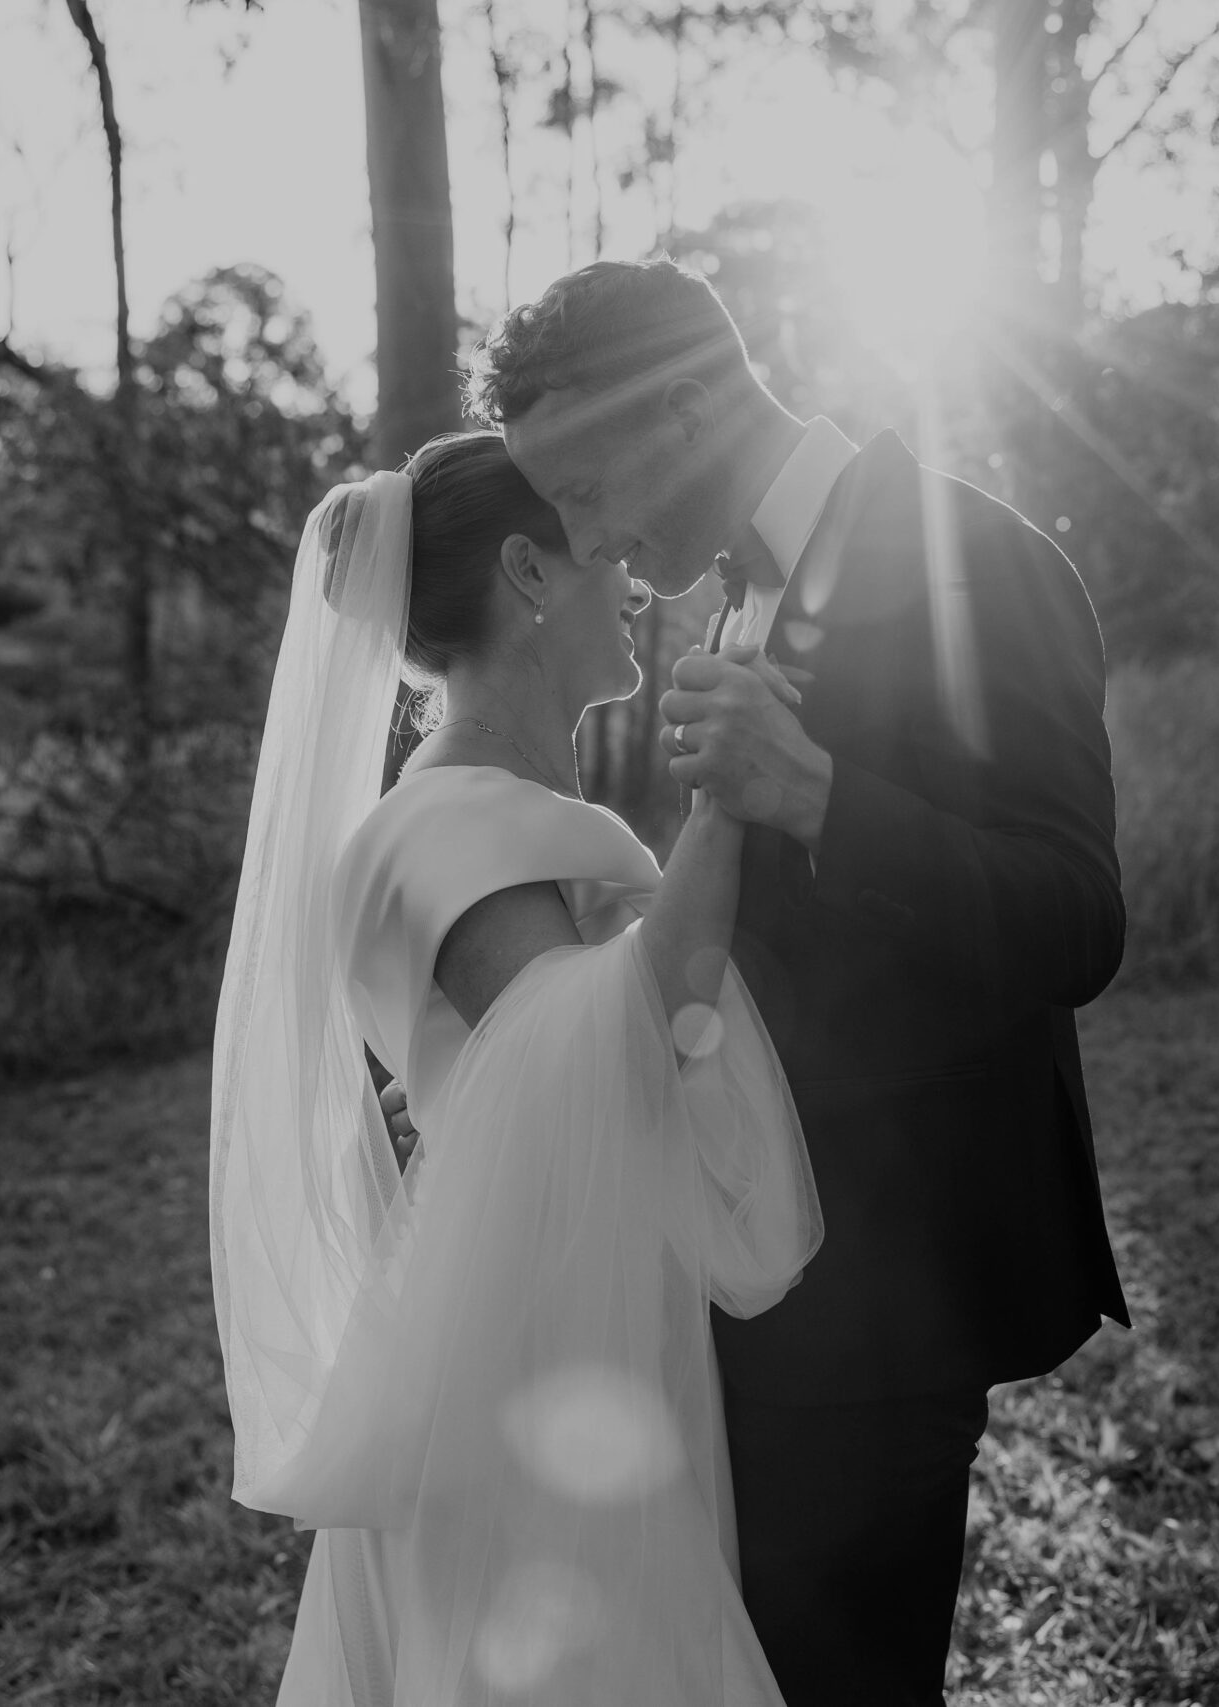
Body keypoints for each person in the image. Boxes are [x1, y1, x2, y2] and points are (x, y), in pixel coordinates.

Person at [482, 258, 1132, 1706]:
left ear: (690, 401)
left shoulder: (979, 558)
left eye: (586, 486)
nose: (588, 537)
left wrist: (824, 795)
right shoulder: (724, 611)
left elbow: (1078, 918)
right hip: (748, 1266)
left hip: (888, 1282)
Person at [209, 432, 823, 1704]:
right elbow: (601, 1048)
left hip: (562, 1298)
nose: (635, 579)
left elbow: (505, 1063)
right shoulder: (439, 816)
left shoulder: (504, 805)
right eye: (601, 549)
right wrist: (726, 797)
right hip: (526, 1345)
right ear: (527, 574)